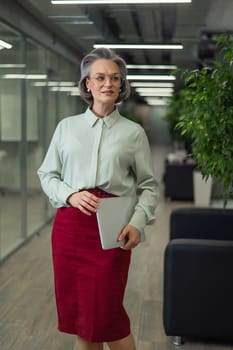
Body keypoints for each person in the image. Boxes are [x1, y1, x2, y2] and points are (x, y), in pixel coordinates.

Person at [37, 47, 159, 350]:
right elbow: (47, 174)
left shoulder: (133, 133)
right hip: (70, 231)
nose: (108, 83)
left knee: (108, 317)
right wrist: (71, 194)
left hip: (113, 232)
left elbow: (149, 186)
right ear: (87, 84)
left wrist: (137, 223)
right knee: (85, 321)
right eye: (100, 77)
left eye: (115, 78)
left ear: (121, 85)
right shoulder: (66, 128)